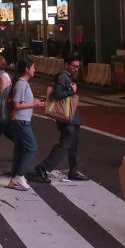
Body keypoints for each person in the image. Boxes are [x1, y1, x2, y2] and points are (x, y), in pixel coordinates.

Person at [34, 53, 88, 183]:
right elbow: (57, 94)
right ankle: (43, 168)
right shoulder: (63, 77)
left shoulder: (67, 77)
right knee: (64, 145)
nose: (76, 69)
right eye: (74, 66)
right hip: (66, 119)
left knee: (74, 146)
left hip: (72, 117)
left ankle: (73, 172)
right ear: (66, 65)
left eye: (78, 67)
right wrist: (72, 91)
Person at [6, 59, 44, 191]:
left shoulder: (23, 83)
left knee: (20, 150)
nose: (34, 70)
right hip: (21, 121)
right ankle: (19, 176)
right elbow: (17, 104)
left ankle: (14, 178)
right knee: (31, 148)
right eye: (33, 67)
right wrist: (34, 104)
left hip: (21, 120)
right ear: (27, 69)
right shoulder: (21, 84)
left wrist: (34, 102)